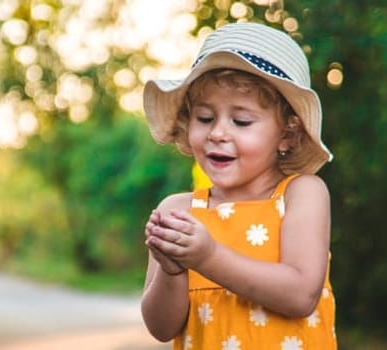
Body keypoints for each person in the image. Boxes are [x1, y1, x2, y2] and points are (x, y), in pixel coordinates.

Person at [138, 23, 337, 349]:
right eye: (204, 118)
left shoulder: (302, 194)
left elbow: (301, 295)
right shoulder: (178, 211)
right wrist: (172, 271)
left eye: (241, 121)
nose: (217, 133)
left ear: (287, 134)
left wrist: (208, 257)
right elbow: (161, 328)